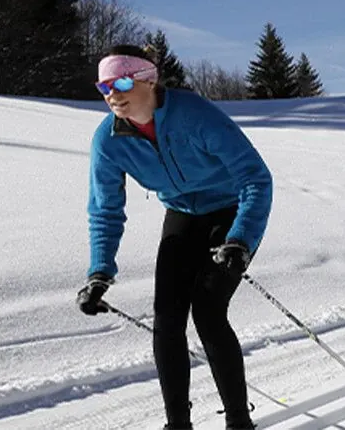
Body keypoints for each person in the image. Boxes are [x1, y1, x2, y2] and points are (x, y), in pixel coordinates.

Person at [74, 45, 275, 430]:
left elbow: (255, 177)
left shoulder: (193, 114)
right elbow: (105, 209)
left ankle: (238, 422)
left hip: (230, 209)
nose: (112, 94)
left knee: (208, 311)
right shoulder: (108, 140)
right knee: (167, 319)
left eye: (122, 81)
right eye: (103, 85)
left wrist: (241, 239)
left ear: (148, 79)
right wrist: (99, 271)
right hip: (182, 214)